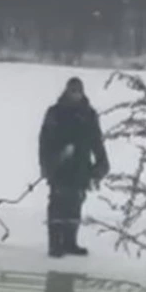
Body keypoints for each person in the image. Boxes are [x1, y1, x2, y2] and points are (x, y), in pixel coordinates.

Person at [38, 77, 110, 258]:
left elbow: (96, 141)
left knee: (75, 204)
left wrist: (102, 163)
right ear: (67, 91)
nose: (75, 95)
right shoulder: (55, 113)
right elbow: (44, 141)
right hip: (59, 166)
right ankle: (55, 244)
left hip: (80, 166)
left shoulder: (88, 114)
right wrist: (47, 164)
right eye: (72, 91)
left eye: (78, 91)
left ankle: (70, 242)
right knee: (58, 204)